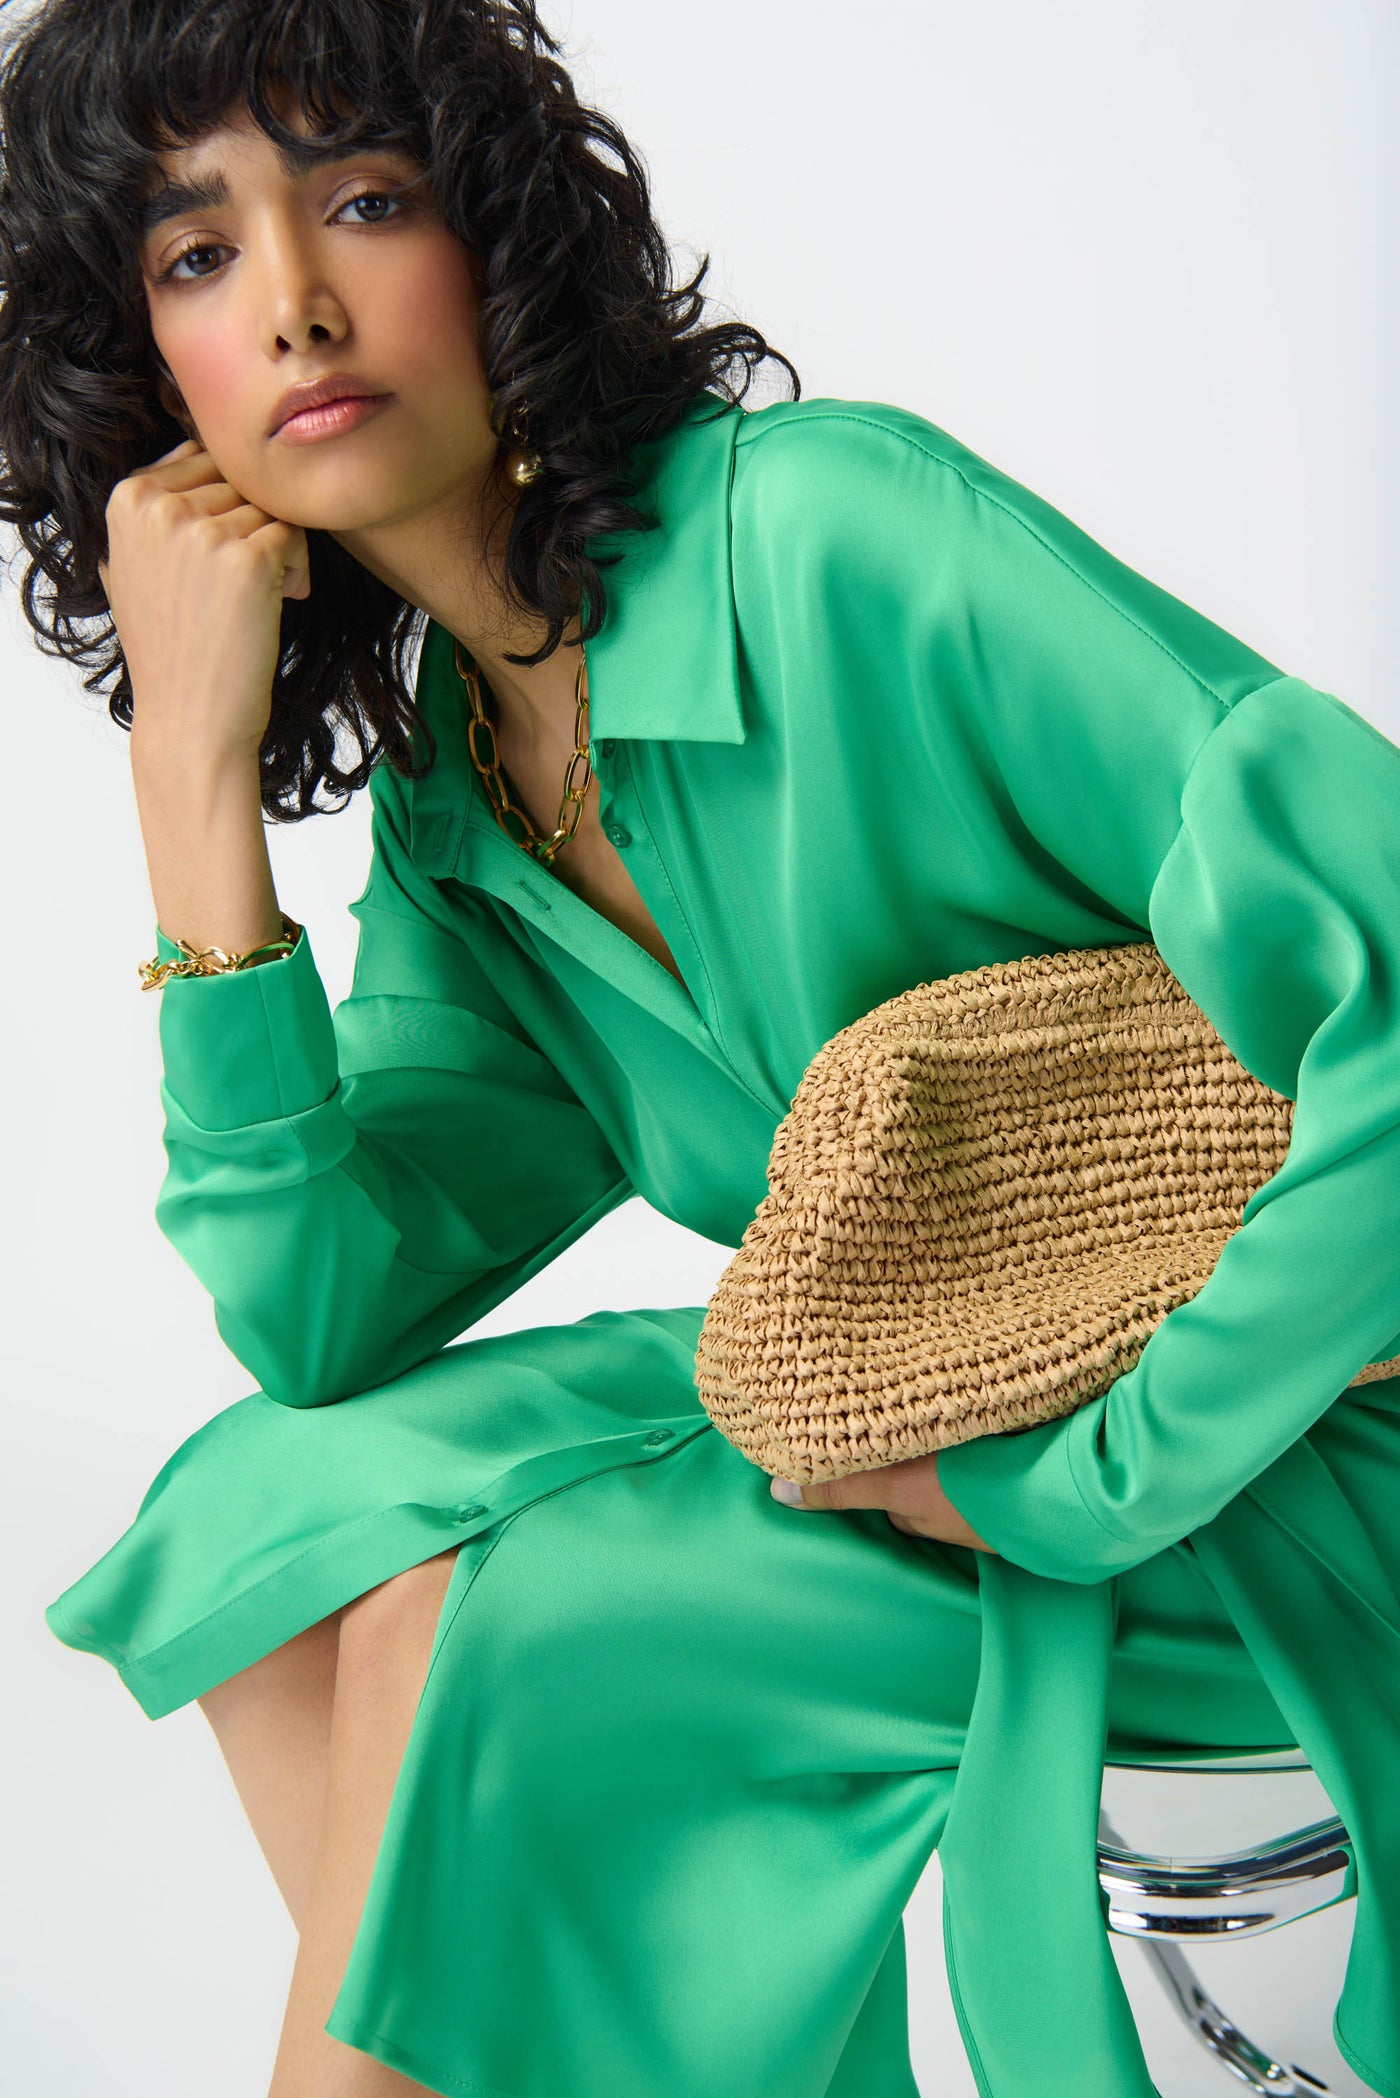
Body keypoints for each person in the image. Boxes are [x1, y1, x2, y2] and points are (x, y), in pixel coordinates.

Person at [5, 2, 1399, 2095]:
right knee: (266, 1525)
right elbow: (319, 1319)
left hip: (1287, 1440)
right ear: (145, 383)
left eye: (363, 202)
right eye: (198, 253)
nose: (293, 304)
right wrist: (190, 795)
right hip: (933, 1428)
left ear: (493, 238)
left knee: (505, 1621)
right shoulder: (467, 798)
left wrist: (1086, 1473)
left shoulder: (836, 538)